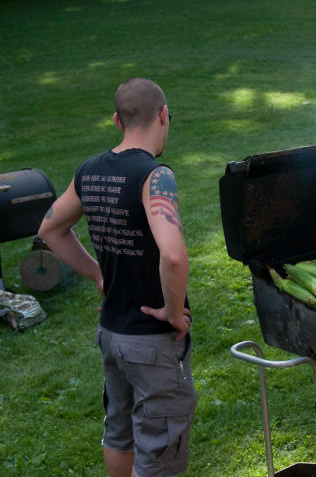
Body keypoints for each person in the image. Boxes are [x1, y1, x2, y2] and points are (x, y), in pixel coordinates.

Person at [38, 78, 197, 477]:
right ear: (163, 115)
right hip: (150, 343)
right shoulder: (155, 175)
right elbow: (174, 255)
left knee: (120, 434)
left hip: (111, 333)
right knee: (159, 451)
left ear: (116, 120)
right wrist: (174, 314)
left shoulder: (89, 171)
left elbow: (50, 230)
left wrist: (97, 274)